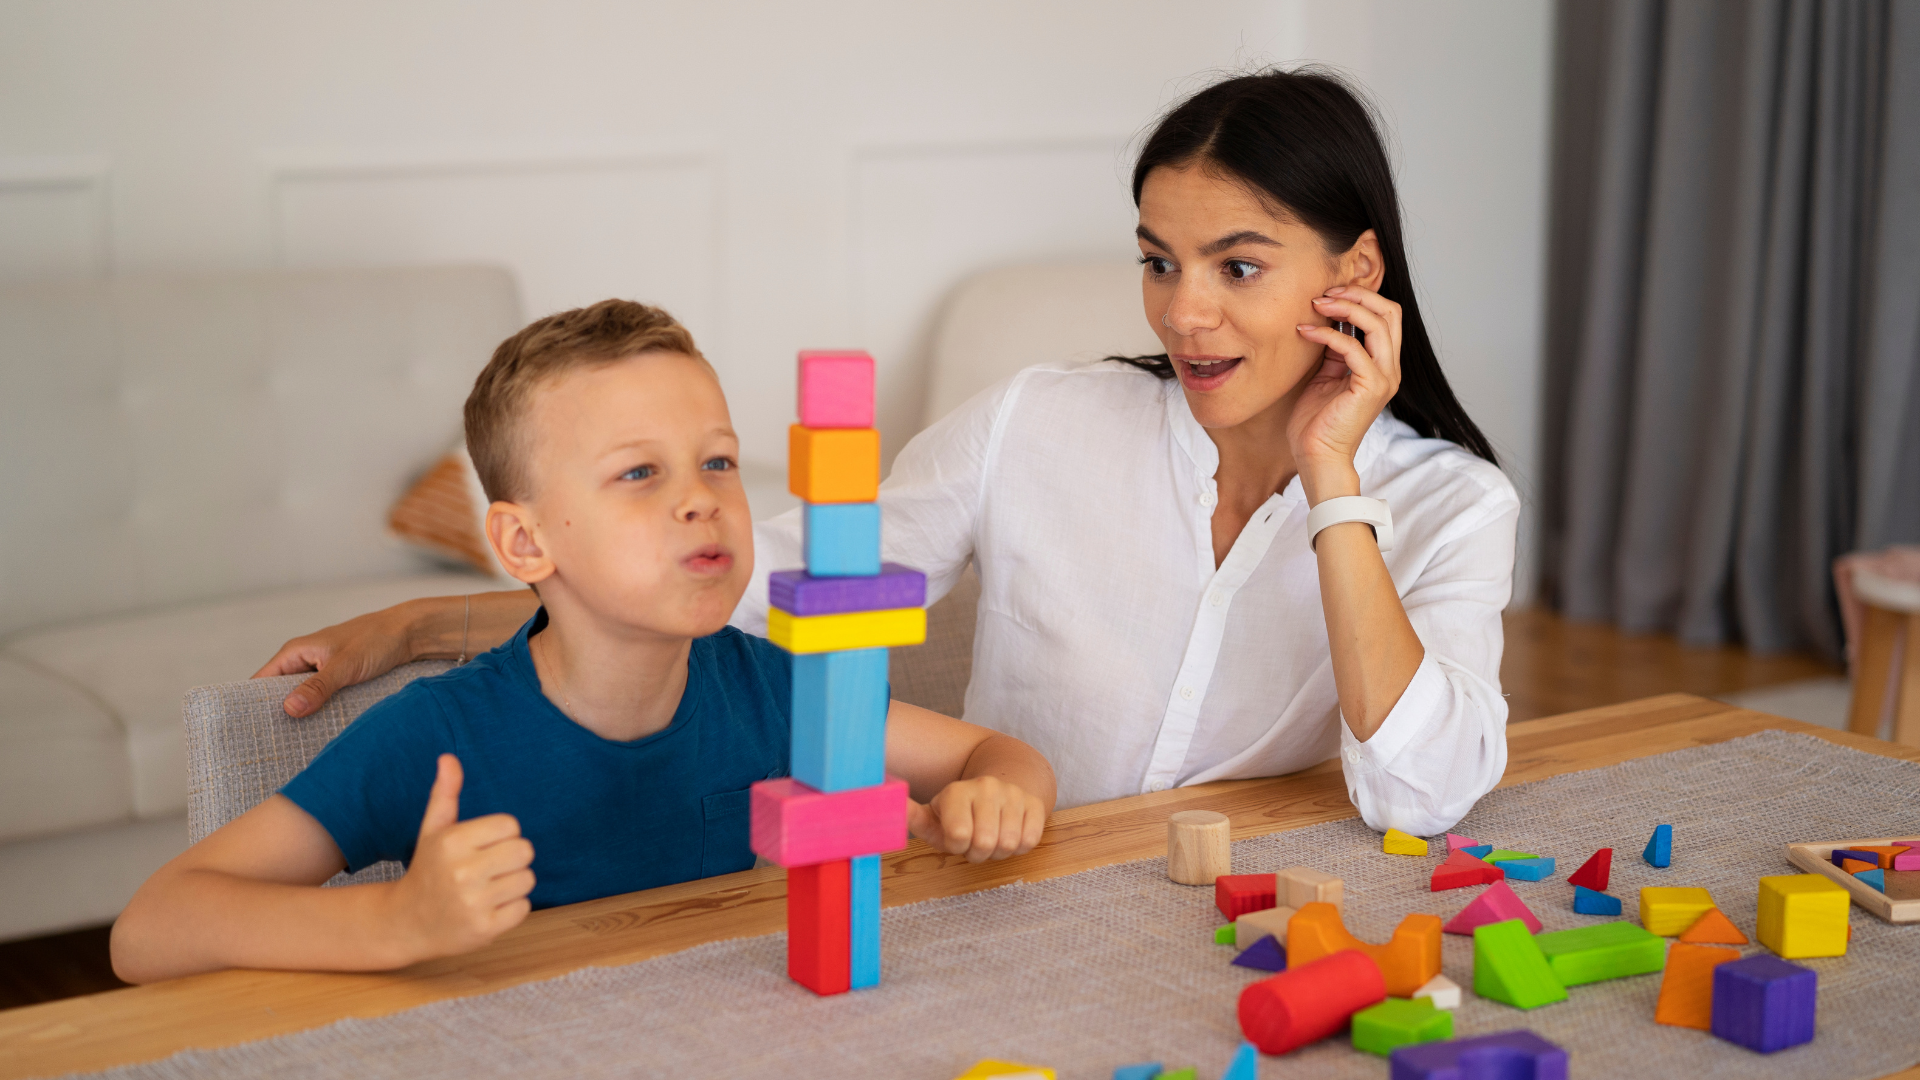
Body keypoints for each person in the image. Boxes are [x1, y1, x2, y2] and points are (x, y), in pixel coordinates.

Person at [257, 67, 1516, 839]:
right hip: (1003, 888)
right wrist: (426, 628)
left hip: (1240, 919)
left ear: (1356, 273)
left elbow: (1419, 793)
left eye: (1238, 266)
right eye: (1158, 260)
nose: (1184, 312)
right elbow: (748, 590)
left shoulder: (1452, 502)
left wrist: (1334, 477)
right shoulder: (1038, 418)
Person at [111, 302, 1055, 984]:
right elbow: (152, 926)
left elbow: (986, 754)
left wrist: (1002, 793)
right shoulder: (438, 733)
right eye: (639, 472)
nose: (701, 496)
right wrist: (397, 919)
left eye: (717, 461)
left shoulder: (770, 684)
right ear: (524, 543)